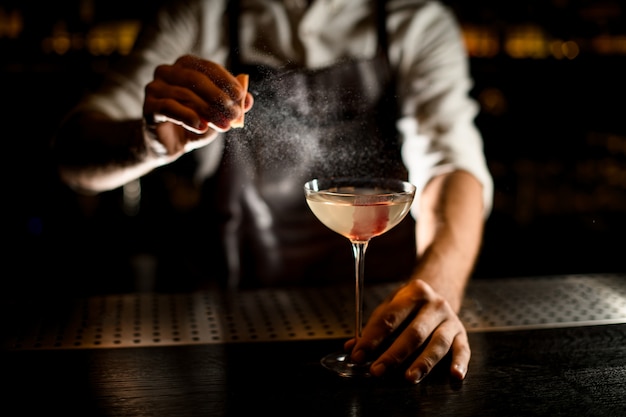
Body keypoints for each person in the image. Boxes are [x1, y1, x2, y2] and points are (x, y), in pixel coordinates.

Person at [52, 0, 493, 385]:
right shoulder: (202, 11)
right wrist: (150, 143)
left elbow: (452, 166)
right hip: (235, 323)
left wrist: (436, 292)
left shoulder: (416, 18)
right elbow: (72, 155)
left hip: (384, 331)